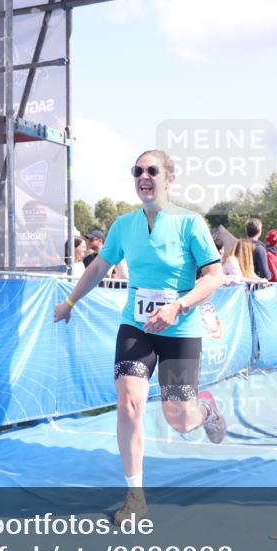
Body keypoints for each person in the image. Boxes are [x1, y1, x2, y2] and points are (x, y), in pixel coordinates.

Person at [53, 149, 226, 525]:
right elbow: (98, 267)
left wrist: (178, 306)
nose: (144, 177)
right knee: (129, 402)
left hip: (180, 330)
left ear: (170, 177)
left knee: (179, 418)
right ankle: (135, 496)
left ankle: (206, 410)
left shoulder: (190, 223)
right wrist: (70, 301)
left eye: (152, 170)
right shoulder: (124, 226)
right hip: (137, 327)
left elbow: (215, 276)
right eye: (138, 171)